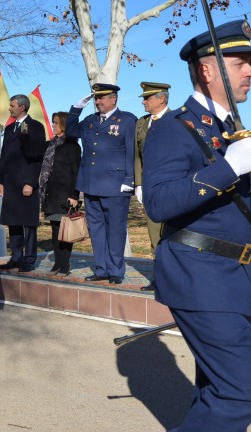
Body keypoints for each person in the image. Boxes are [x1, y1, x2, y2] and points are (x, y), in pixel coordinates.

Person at [143, 20, 251, 431]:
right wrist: (231, 166)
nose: (250, 71)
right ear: (208, 70)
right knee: (239, 391)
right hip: (200, 273)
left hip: (237, 276)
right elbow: (159, 202)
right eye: (241, 62)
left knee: (216, 389)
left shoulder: (229, 128)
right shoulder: (173, 128)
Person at [66, 83, 137, 284]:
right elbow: (71, 132)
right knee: (96, 229)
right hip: (90, 183)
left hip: (116, 185)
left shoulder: (127, 120)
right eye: (96, 98)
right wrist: (75, 109)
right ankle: (101, 268)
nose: (98, 102)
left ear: (113, 99)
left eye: (102, 98)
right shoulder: (90, 120)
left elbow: (132, 151)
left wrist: (129, 179)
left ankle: (115, 270)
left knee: (115, 229)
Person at [0, 94, 47, 272]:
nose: (9, 108)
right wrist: (0, 181)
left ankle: (29, 258)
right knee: (13, 221)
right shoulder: (10, 128)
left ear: (22, 107)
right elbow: (4, 157)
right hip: (10, 182)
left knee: (28, 223)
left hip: (25, 182)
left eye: (12, 106)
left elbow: (36, 157)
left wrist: (30, 182)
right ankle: (16, 256)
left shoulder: (35, 127)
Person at [134, 81, 171, 291]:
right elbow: (137, 155)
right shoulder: (141, 123)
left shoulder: (178, 120)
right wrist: (138, 183)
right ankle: (160, 279)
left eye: (147, 98)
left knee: (174, 234)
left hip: (172, 186)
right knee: (154, 234)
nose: (144, 102)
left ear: (161, 99)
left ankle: (176, 278)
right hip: (149, 187)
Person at [39, 112, 81, 276]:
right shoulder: (50, 145)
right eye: (53, 122)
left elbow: (76, 172)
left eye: (56, 123)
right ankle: (57, 263)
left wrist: (74, 195)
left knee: (66, 232)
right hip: (51, 194)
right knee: (55, 231)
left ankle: (65, 264)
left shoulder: (72, 146)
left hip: (65, 195)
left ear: (64, 125)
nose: (53, 126)